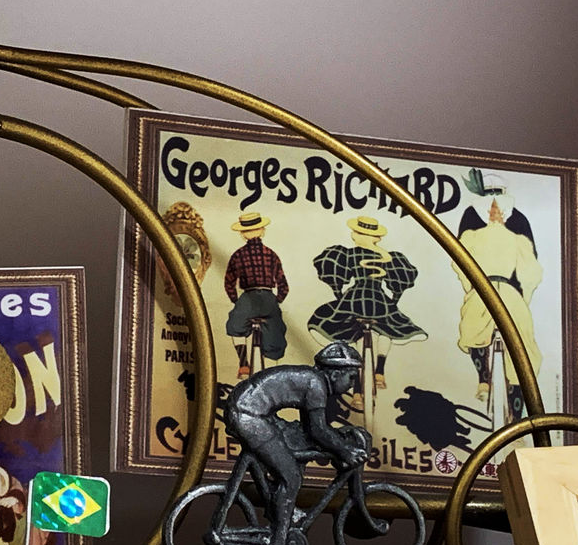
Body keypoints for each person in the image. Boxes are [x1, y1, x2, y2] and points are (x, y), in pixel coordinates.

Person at [224, 341, 370, 545]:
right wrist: (345, 451)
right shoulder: (316, 385)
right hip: (249, 416)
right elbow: (318, 431)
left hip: (251, 412)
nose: (353, 384)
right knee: (291, 477)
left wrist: (338, 443)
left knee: (294, 451)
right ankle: (277, 544)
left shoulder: (312, 380)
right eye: (351, 377)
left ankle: (284, 511)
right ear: (335, 374)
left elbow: (310, 432)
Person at [452, 170, 543, 418]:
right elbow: (531, 270)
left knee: (517, 348)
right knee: (477, 329)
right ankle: (487, 382)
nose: (494, 209)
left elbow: (460, 262)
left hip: (493, 292)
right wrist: (522, 297)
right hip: (499, 293)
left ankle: (508, 407)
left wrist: (472, 289)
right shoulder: (474, 220)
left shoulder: (512, 223)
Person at [307, 215, 426, 389]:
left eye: (355, 232)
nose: (353, 235)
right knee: (387, 328)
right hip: (379, 300)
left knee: (342, 329)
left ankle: (356, 385)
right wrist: (394, 301)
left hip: (355, 298)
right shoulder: (388, 257)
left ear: (360, 235)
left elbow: (334, 274)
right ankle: (380, 370)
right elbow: (401, 279)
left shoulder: (349, 254)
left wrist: (338, 294)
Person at [223, 211, 289, 379]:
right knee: (275, 333)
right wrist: (277, 300)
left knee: (235, 326)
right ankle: (271, 374)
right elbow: (283, 284)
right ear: (262, 231)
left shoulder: (238, 255)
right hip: (268, 298)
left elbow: (229, 282)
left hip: (248, 298)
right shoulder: (271, 254)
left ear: (242, 234)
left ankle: (244, 364)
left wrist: (236, 301)